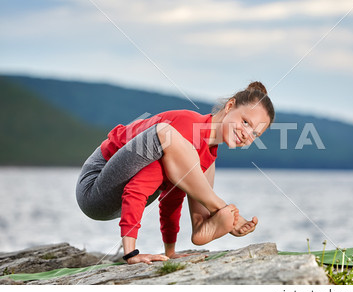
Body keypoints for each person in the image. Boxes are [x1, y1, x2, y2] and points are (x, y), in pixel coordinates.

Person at [76, 81, 275, 264]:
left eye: (255, 134)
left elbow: (171, 197)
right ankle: (218, 206)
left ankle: (203, 222)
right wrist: (131, 253)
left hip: (115, 201)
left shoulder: (205, 155)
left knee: (195, 166)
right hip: (95, 186)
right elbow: (136, 189)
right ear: (230, 106)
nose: (246, 134)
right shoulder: (186, 127)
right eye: (246, 122)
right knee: (166, 132)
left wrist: (169, 251)